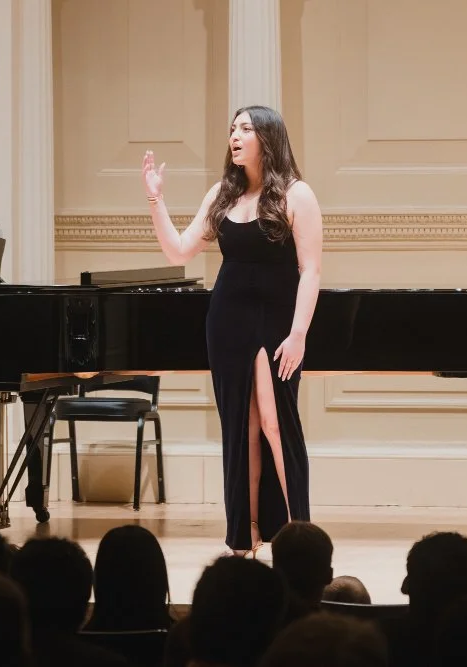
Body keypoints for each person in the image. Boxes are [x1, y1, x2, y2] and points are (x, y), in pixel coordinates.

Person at [141, 105, 322, 556]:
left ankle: (300, 536)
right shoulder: (222, 193)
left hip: (277, 321)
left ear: (268, 137)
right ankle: (246, 536)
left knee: (276, 423)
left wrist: (298, 333)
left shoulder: (297, 195)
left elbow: (311, 270)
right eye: (232, 129)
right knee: (240, 429)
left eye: (245, 129)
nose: (235, 137)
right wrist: (155, 200)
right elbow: (178, 252)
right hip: (228, 320)